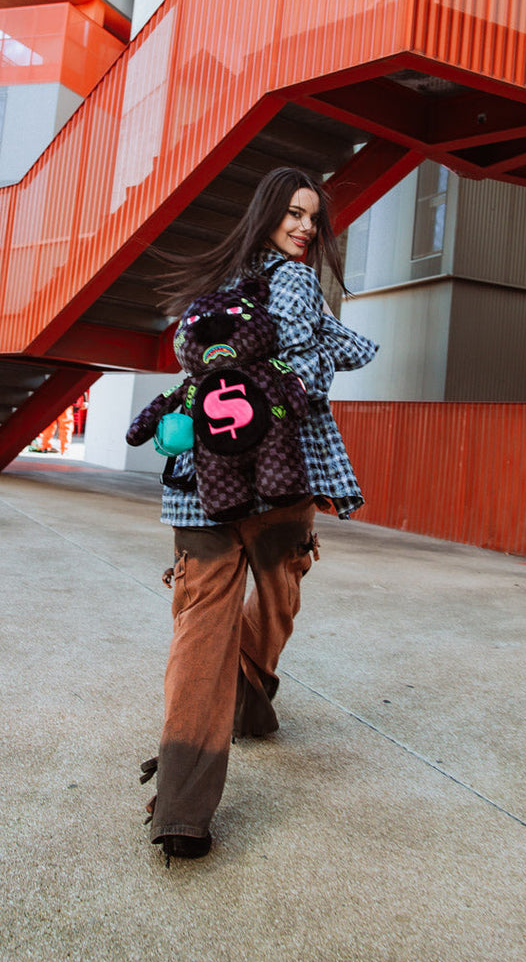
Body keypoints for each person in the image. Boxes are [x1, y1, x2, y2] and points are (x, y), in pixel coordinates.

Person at [139, 166, 378, 864]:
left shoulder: (216, 292)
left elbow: (192, 353)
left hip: (203, 482)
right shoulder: (296, 285)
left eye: (314, 218)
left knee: (200, 631)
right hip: (276, 483)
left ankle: (183, 805)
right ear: (268, 213)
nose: (305, 227)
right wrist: (322, 349)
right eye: (294, 214)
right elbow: (323, 361)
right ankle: (242, 699)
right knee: (275, 598)